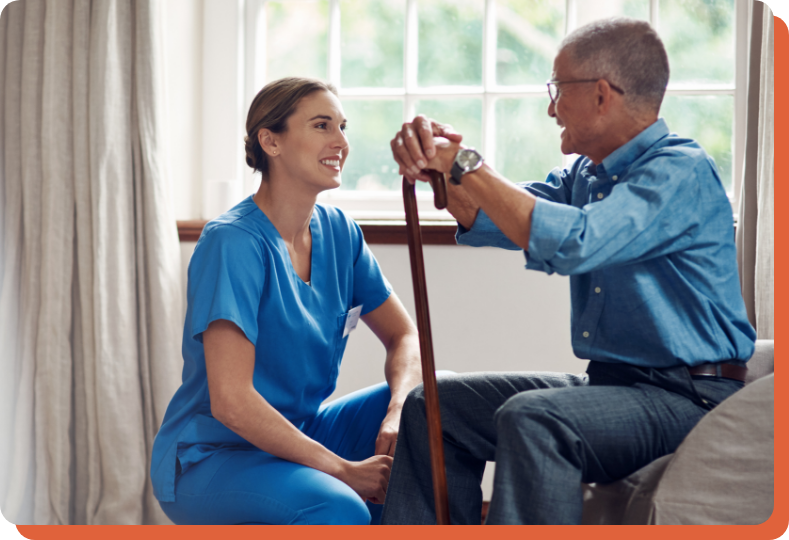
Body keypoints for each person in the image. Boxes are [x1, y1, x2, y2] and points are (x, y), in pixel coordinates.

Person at [380, 17, 756, 525]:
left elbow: (577, 241)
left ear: (602, 94)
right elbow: (497, 217)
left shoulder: (678, 172)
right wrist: (440, 168)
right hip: (613, 387)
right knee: (434, 407)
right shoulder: (587, 174)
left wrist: (466, 163)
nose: (550, 106)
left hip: (687, 397)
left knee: (535, 418)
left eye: (557, 88)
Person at [150, 77, 422, 525]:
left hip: (299, 433)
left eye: (343, 126)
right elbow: (232, 402)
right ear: (270, 141)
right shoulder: (233, 242)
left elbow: (404, 335)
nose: (341, 142)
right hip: (213, 455)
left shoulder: (340, 233)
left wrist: (397, 411)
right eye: (322, 126)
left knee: (434, 401)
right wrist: (342, 472)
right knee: (338, 505)